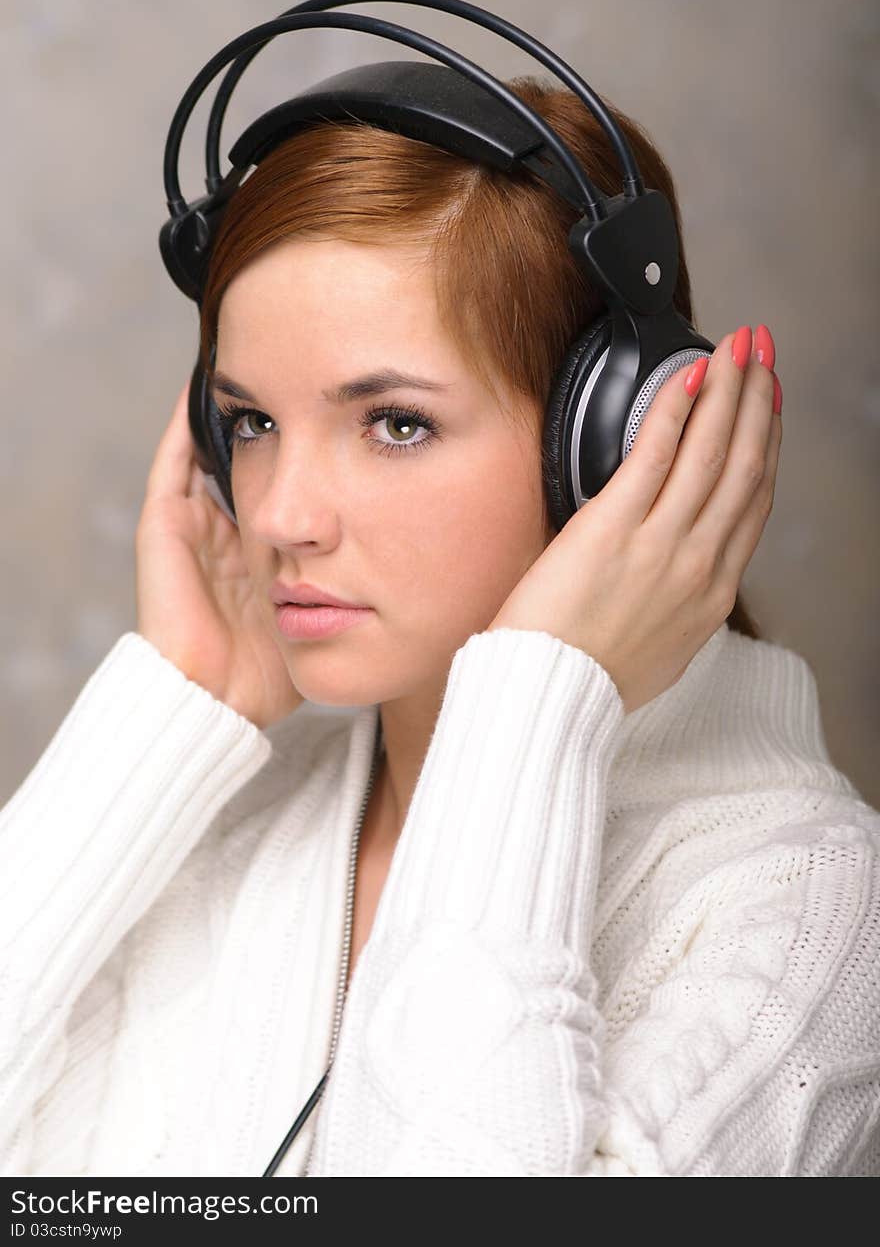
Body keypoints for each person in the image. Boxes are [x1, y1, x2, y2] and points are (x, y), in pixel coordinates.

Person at [2, 77, 878, 1178]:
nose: (274, 516)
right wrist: (169, 717)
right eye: (252, 422)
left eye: (395, 423)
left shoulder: (805, 914)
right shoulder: (219, 815)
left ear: (610, 444)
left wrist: (531, 707)